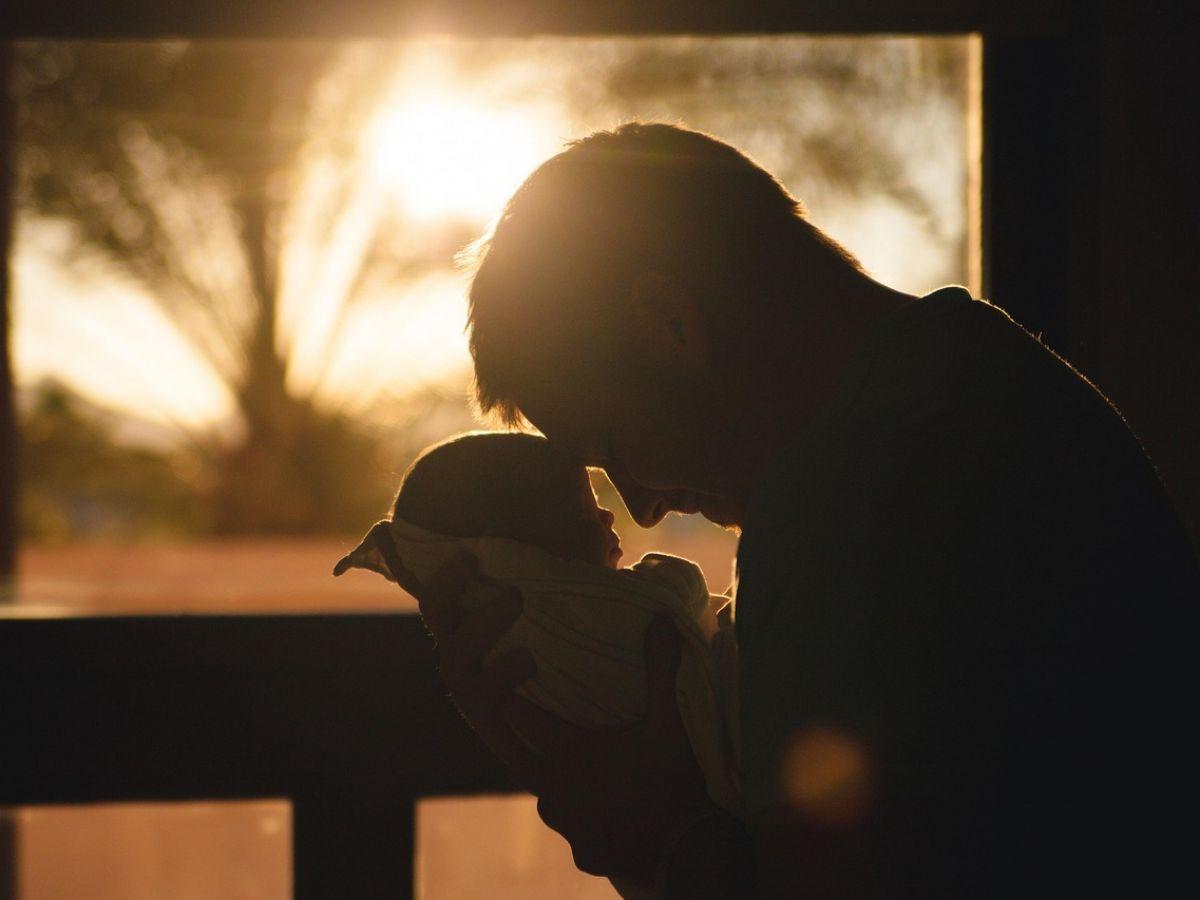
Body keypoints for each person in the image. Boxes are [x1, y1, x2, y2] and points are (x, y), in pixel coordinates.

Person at [409, 123, 1199, 898]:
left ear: (669, 324)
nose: (642, 508)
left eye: (611, 442)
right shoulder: (991, 377)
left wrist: (648, 830)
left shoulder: (846, 501)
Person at [331, 433, 743, 895]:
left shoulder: (508, 648)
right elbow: (679, 604)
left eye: (618, 439)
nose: (624, 509)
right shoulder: (581, 624)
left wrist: (676, 843)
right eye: (579, 506)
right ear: (517, 555)